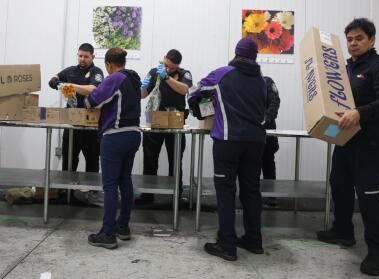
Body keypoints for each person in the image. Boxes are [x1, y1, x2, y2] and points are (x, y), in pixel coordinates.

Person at [316, 18, 379, 276]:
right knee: (338, 183)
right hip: (346, 138)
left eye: (359, 38)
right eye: (350, 39)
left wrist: (360, 113)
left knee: (368, 194)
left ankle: (377, 252)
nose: (353, 43)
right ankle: (343, 231)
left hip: (371, 140)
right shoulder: (344, 69)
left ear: (371, 40)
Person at [188, 37, 267, 261]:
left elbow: (194, 92)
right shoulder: (261, 79)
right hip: (256, 142)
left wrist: (201, 110)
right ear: (255, 56)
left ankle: (227, 244)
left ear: (235, 53)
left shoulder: (223, 73)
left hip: (228, 140)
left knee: (226, 191)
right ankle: (254, 240)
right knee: (251, 191)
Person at [68, 48, 142, 249]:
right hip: (134, 134)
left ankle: (107, 233)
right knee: (125, 181)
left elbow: (93, 101)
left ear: (109, 64)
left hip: (115, 135)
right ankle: (123, 227)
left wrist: (90, 93)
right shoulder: (134, 78)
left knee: (109, 186)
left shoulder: (114, 78)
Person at [138, 49, 192, 202]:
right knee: (149, 159)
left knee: (175, 160)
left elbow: (184, 90)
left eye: (172, 68)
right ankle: (147, 195)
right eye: (166, 65)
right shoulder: (154, 72)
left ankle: (176, 195)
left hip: (175, 122)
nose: (168, 69)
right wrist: (142, 88)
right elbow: (142, 95)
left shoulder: (184, 74)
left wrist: (167, 77)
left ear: (178, 65)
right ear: (164, 59)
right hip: (154, 120)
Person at [48, 43, 103, 173]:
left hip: (89, 123)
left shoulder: (96, 72)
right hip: (71, 122)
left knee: (92, 159)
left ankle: (91, 191)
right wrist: (54, 80)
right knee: (69, 158)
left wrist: (70, 85)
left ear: (93, 57)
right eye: (80, 56)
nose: (82, 59)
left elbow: (92, 89)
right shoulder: (71, 70)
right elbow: (57, 76)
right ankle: (67, 191)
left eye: (86, 56)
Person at [262, 76, 280, 206]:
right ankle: (250, 196)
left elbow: (275, 102)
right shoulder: (241, 82)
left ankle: (271, 196)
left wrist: (265, 118)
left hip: (267, 130)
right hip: (248, 132)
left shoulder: (267, 81)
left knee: (268, 162)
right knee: (249, 165)